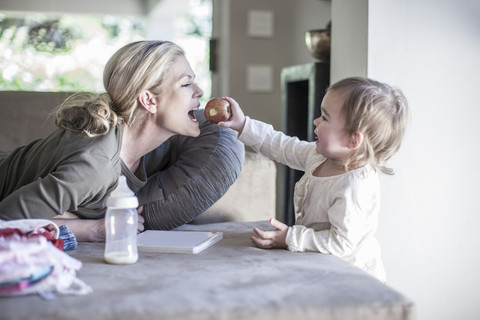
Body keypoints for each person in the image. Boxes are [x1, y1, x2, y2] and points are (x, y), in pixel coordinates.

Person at [0, 40, 244, 241]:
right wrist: (93, 229)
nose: (200, 91)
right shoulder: (96, 166)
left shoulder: (152, 146)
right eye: (186, 83)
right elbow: (6, 221)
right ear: (149, 101)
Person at [218, 77, 408, 281]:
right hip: (320, 263)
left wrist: (290, 237)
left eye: (325, 118)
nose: (316, 121)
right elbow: (282, 145)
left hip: (351, 277)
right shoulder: (318, 156)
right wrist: (243, 124)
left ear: (353, 140)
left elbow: (341, 245)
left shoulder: (354, 187)